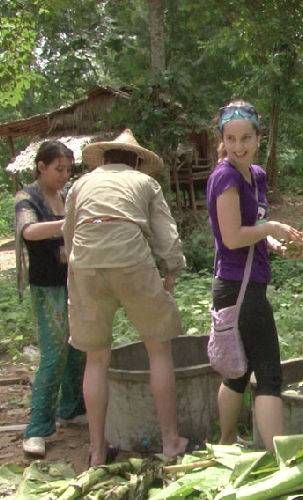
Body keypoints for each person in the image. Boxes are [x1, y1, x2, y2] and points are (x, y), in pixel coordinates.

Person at [63, 129, 188, 466]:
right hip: (131, 259)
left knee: (96, 358)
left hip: (86, 263)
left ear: (104, 159)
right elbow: (167, 234)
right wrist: (171, 271)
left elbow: (70, 233)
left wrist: (78, 268)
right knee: (158, 349)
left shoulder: (81, 184)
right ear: (137, 161)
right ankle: (171, 441)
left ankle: (97, 451)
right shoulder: (145, 183)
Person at [207, 101, 303, 450]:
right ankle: (280, 461)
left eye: (245, 137)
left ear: (258, 137)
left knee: (238, 370)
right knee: (268, 374)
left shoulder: (256, 175)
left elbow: (252, 232)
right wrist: (273, 226)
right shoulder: (226, 177)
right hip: (237, 287)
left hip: (249, 282)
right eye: (231, 138)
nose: (238, 146)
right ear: (222, 138)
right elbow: (233, 237)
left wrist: (275, 244)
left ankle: (227, 441)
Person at [14, 141, 86, 457]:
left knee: (76, 348)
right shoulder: (27, 198)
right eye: (59, 169)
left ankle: (70, 408)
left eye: (68, 170)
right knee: (54, 355)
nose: (64, 175)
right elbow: (28, 231)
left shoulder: (65, 196)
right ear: (41, 167)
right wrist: (66, 224)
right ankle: (38, 428)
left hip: (72, 281)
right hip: (46, 287)